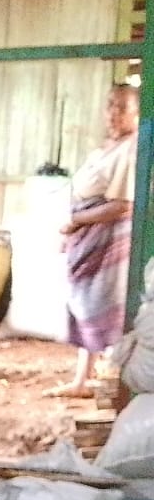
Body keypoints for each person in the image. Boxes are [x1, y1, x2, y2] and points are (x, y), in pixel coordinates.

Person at [47, 83, 140, 399]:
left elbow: (123, 205)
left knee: (103, 309)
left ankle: (114, 380)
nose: (114, 114)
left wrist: (77, 221)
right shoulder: (108, 147)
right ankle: (82, 380)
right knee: (81, 305)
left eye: (122, 107)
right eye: (110, 106)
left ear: (137, 113)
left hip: (107, 243)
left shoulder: (132, 149)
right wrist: (74, 229)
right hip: (86, 238)